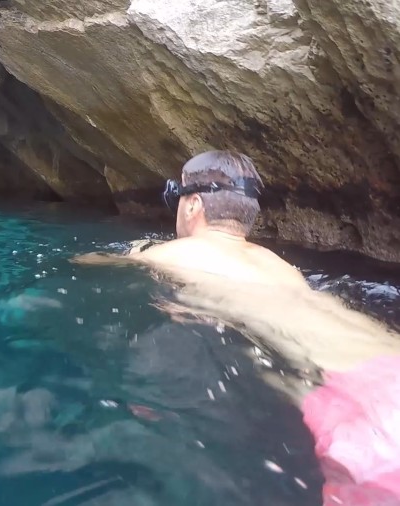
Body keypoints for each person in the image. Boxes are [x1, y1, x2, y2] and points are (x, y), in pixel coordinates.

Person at [72, 150, 400, 506]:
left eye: (176, 197)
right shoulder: (281, 267)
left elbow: (86, 262)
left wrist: (133, 251)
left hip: (358, 407)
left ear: (193, 204)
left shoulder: (172, 254)